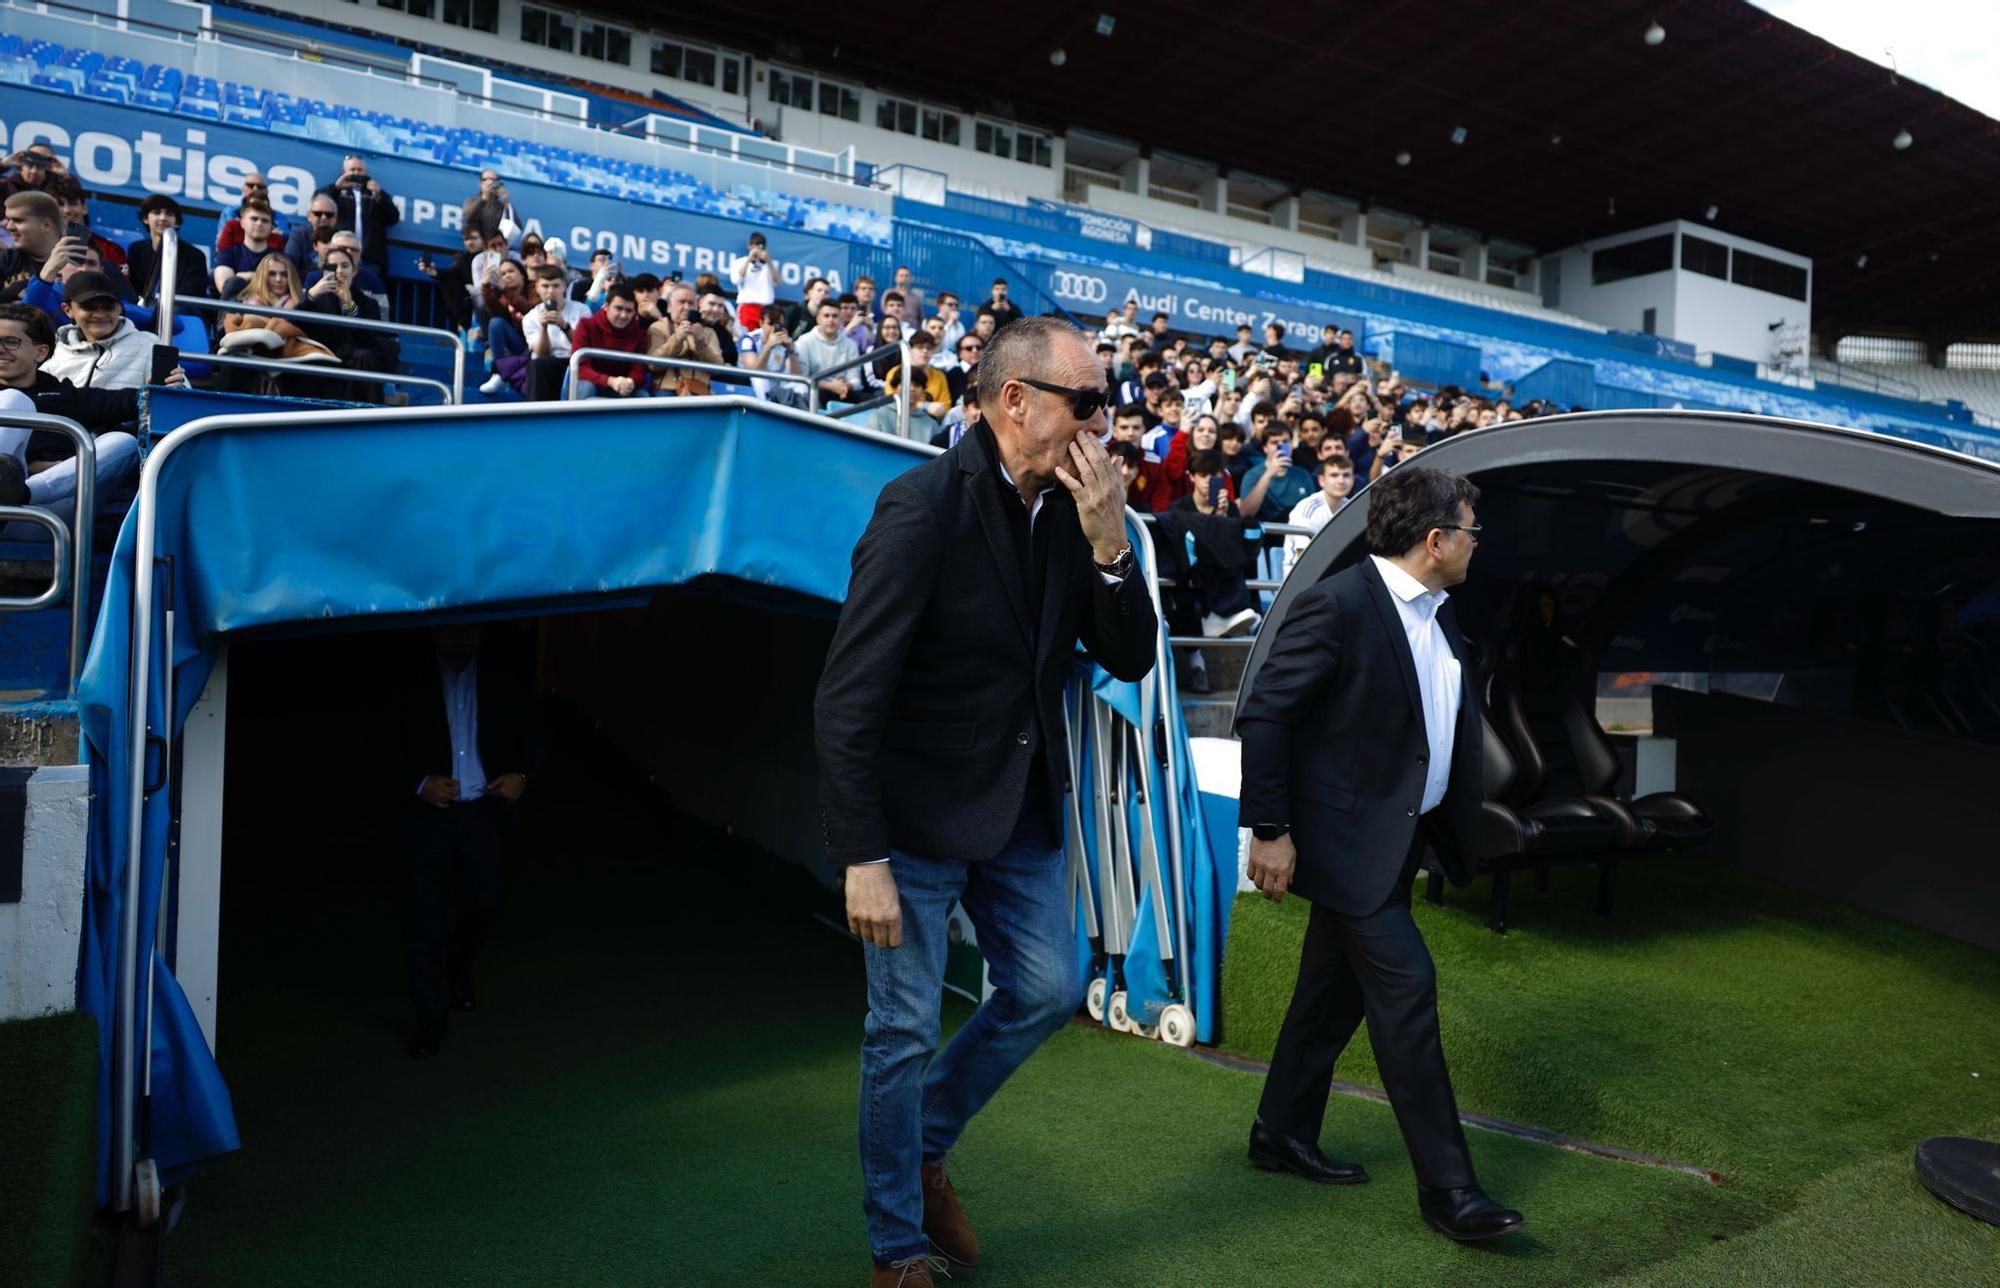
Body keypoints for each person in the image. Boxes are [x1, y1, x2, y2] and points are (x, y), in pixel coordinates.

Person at [815, 315, 1156, 1288]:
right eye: (1085, 404)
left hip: (1018, 816)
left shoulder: (1080, 512)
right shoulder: (919, 509)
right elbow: (847, 694)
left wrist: (1106, 548)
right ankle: (895, 1247)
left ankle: (922, 1144)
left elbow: (1127, 657)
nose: (1102, 424)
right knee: (901, 1030)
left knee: (1048, 988)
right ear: (1016, 401)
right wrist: (862, 854)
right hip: (913, 822)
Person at [1237, 465, 1523, 1244]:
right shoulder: (1336, 606)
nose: (1475, 544)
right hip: (1345, 844)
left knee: (1331, 996)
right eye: (1469, 530)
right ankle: (1449, 1191)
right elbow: (1266, 716)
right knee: (1407, 992)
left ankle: (1279, 1133)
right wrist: (1269, 830)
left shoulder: (1439, 610)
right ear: (1436, 541)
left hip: (1399, 841)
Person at [383, 624, 537, 1059]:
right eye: (451, 634)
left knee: (487, 899)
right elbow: (377, 742)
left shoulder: (503, 678)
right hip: (425, 818)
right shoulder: (406, 680)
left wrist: (522, 777)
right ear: (433, 633)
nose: (460, 643)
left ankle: (457, 969)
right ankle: (430, 1021)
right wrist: (418, 784)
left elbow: (534, 735)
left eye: (468, 634)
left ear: (481, 634)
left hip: (483, 812)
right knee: (424, 917)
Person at [0, 304, 146, 526]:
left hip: (46, 511)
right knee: (14, 399)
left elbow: (134, 401)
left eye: (11, 342)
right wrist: (31, 464)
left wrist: (165, 384)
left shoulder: (64, 395)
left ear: (41, 352)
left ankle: (22, 492)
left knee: (124, 442)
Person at [41, 271, 174, 391]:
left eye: (107, 306)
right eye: (89, 307)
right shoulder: (56, 354)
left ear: (118, 308)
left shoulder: (149, 345)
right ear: (67, 310)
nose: (99, 314)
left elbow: (176, 400)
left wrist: (175, 388)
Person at [301, 244, 398, 403]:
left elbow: (369, 338)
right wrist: (311, 295)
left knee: (365, 356)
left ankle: (367, 413)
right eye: (333, 266)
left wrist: (349, 303)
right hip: (323, 358)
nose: (339, 271)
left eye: (345, 265)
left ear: (354, 271)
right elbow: (296, 323)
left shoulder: (369, 303)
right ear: (324, 271)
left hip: (355, 360)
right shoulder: (315, 297)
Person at [512, 265, 590, 400]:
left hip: (575, 362)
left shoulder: (581, 310)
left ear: (564, 287)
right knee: (538, 365)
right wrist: (544, 328)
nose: (551, 291)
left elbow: (586, 346)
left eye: (555, 286)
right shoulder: (531, 317)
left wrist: (565, 326)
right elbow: (542, 353)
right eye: (545, 286)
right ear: (537, 288)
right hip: (546, 364)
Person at [561, 284, 650, 400]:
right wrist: (610, 381)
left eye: (629, 311)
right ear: (606, 306)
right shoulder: (586, 325)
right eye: (618, 308)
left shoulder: (640, 334)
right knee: (586, 387)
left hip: (620, 388)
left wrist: (630, 382)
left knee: (642, 396)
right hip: (592, 384)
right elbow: (581, 369)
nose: (623, 315)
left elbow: (638, 370)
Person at [313, 155, 398, 273]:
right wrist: (336, 187)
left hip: (369, 260)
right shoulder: (336, 193)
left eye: (359, 170)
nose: (356, 173)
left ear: (366, 172)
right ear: (344, 172)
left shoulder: (376, 193)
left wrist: (379, 196)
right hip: (339, 255)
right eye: (352, 170)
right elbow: (317, 202)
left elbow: (393, 218)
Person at [126, 194, 212, 308]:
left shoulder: (195, 256)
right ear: (145, 219)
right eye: (157, 212)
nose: (163, 217)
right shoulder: (136, 250)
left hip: (180, 314)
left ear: (177, 222)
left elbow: (191, 293)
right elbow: (133, 288)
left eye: (169, 214)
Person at [1282, 456, 1356, 578]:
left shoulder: (1351, 507)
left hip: (1336, 578)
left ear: (1353, 480)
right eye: (1334, 475)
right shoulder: (1307, 509)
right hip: (1300, 581)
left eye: (1346, 475)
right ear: (1321, 480)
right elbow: (1303, 559)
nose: (1341, 481)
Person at [0, 191, 78, 304]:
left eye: (18, 220)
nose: (9, 227)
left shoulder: (82, 261)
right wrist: (13, 291)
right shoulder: (6, 259)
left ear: (46, 225)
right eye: (8, 219)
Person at [647, 282, 722, 396]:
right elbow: (653, 365)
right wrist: (677, 339)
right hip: (668, 391)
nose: (686, 307)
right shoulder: (658, 327)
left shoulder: (708, 332)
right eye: (682, 302)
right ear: (670, 305)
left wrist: (701, 343)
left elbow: (717, 369)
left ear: (697, 307)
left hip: (700, 392)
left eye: (691, 303)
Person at [212, 198, 285, 298]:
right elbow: (225, 287)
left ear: (271, 227)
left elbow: (282, 290)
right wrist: (261, 278)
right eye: (254, 219)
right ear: (242, 223)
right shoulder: (228, 253)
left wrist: (243, 276)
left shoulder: (280, 258)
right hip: (233, 310)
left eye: (265, 221)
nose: (259, 223)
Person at [882, 330, 951, 435]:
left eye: (929, 348)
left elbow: (946, 405)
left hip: (930, 423)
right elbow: (892, 400)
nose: (925, 351)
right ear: (911, 350)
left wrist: (940, 409)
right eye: (920, 347)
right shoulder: (896, 372)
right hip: (898, 420)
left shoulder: (939, 376)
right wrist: (925, 406)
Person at [795, 299, 860, 406]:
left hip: (844, 392)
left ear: (840, 320)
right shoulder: (804, 342)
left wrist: (845, 386)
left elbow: (856, 380)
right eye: (826, 316)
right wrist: (830, 386)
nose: (831, 320)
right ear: (818, 319)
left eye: (835, 316)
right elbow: (803, 378)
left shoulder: (851, 344)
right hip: (815, 391)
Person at [212, 171, 280, 254]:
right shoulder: (231, 211)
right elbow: (223, 241)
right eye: (250, 185)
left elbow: (282, 241)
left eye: (260, 187)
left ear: (266, 190)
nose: (255, 189)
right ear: (243, 188)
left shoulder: (278, 216)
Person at [728, 231, 778, 329]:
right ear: (749, 246)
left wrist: (768, 261)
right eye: (755, 246)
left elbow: (777, 281)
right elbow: (736, 280)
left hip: (766, 307)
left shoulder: (771, 264)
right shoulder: (739, 262)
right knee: (746, 339)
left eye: (761, 247)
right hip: (747, 306)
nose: (758, 250)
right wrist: (749, 260)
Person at [286, 193, 344, 276]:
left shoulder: (343, 238)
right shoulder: (299, 234)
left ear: (335, 218)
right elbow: (290, 266)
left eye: (329, 215)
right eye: (318, 214)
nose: (324, 218)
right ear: (309, 216)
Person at [460, 170, 524, 242]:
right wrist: (484, 198)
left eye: (493, 180)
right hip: (476, 247)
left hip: (495, 247)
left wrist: (506, 202)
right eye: (486, 179)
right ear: (480, 184)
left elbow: (516, 226)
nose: (490, 182)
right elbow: (468, 218)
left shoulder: (502, 206)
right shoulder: (470, 202)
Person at [0, 144, 64, 201]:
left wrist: (65, 175)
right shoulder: (6, 186)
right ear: (21, 166)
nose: (34, 171)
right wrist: (2, 164)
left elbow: (71, 200)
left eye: (40, 167)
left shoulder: (56, 189)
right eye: (30, 166)